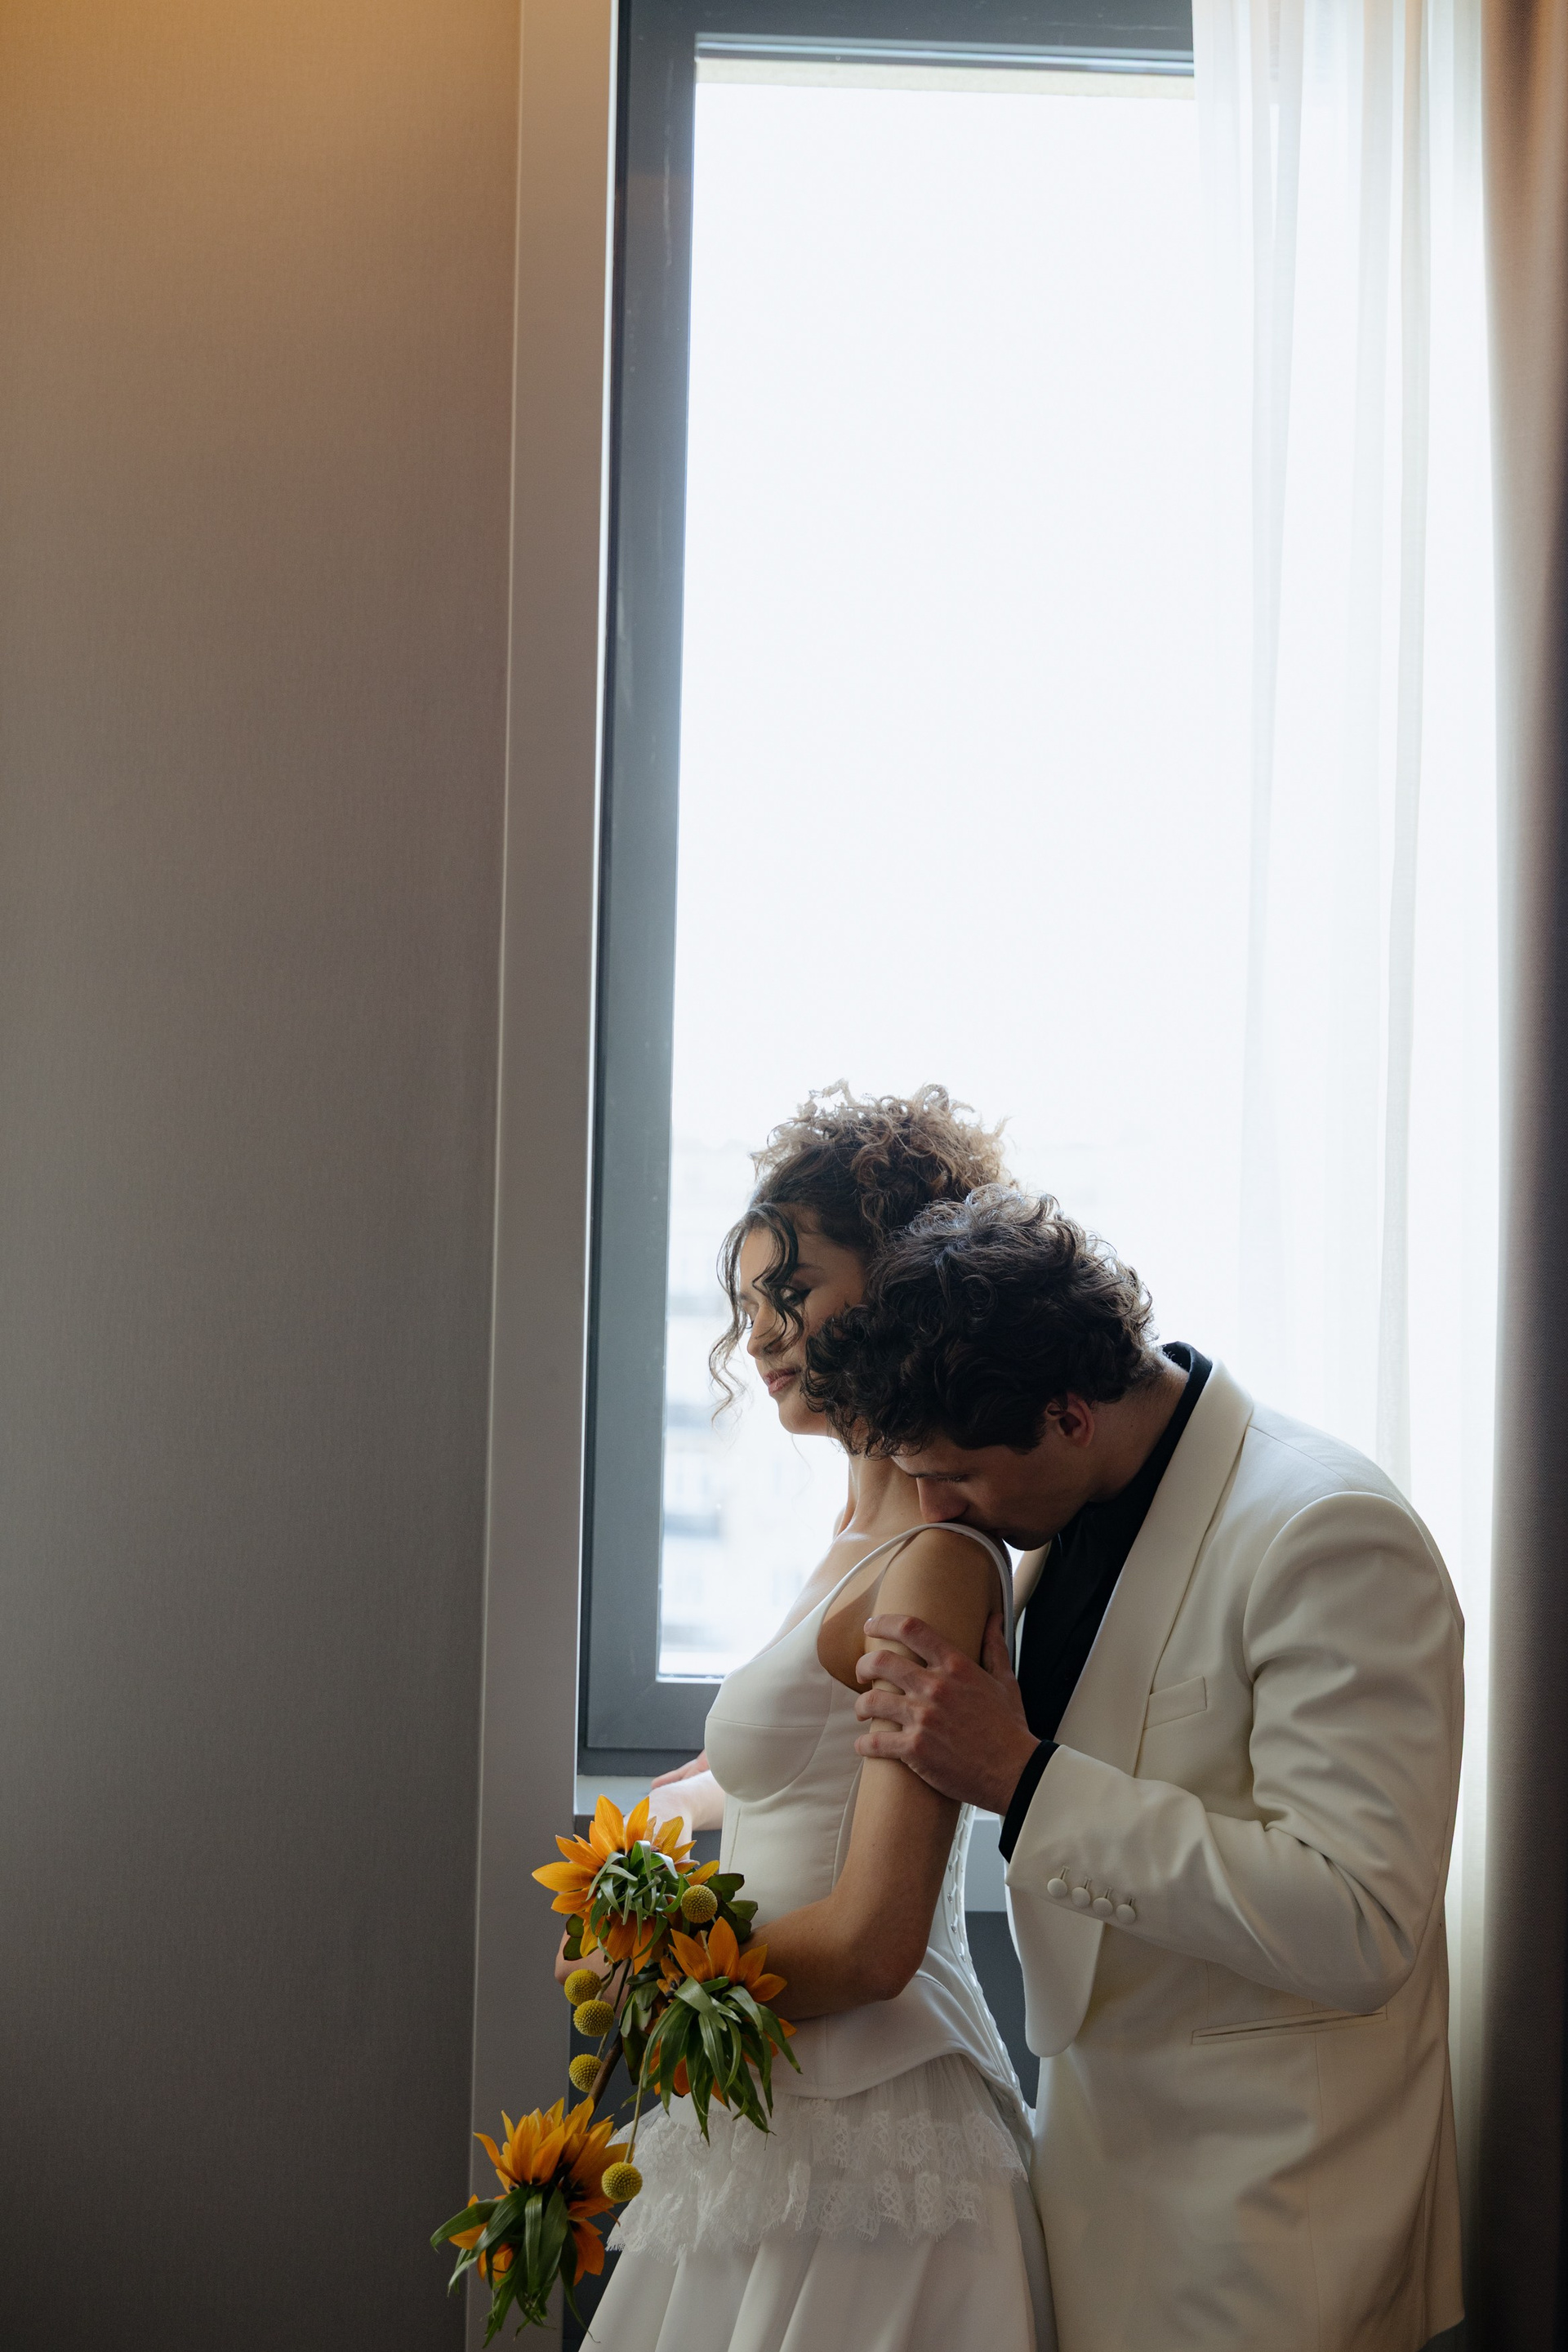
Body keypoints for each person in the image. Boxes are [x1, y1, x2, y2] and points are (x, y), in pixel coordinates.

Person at [804, 1185, 1464, 2352]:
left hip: (1275, 2225)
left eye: (957, 1475)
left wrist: (1024, 1780)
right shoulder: (1056, 1511)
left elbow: (1360, 1923)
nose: (935, 1509)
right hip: (1101, 2181)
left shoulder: (1327, 1530)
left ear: (1069, 1415)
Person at [587, 1089, 1054, 2352]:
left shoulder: (936, 1564)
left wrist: (654, 1987)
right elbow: (782, 1773)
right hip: (784, 2096)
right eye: (749, 1305)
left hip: (876, 2131)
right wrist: (636, 1848)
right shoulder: (852, 1539)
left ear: (898, 1284)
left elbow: (874, 1940)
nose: (760, 1337)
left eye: (792, 1293)